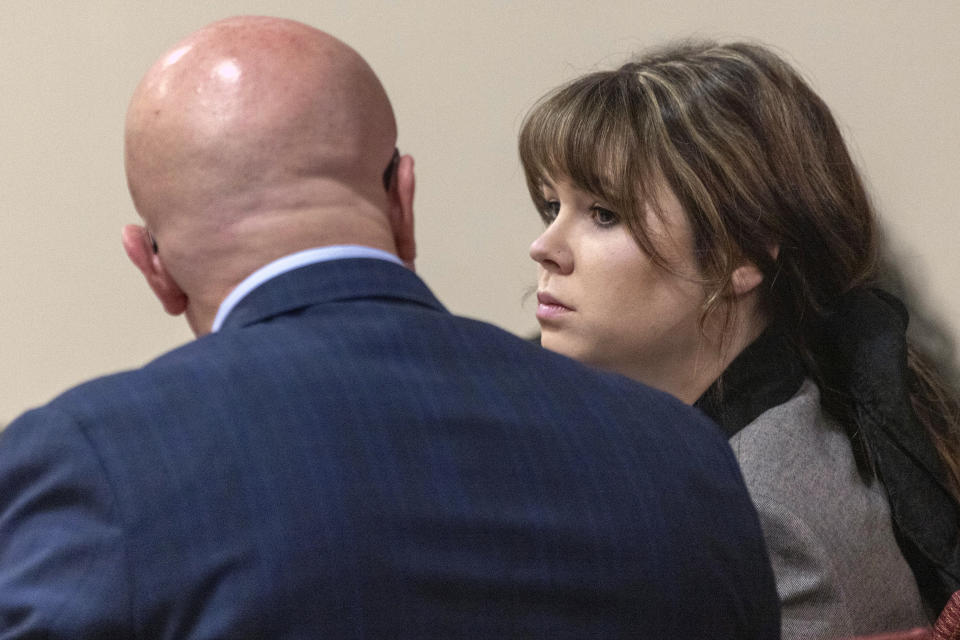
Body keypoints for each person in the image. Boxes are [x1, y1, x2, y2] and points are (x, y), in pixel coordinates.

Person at [0, 18, 780, 638]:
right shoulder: (682, 456)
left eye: (604, 213)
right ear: (403, 202)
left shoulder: (87, 465)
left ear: (154, 267)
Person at [522, 40, 960, 639]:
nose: (544, 246)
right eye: (552, 206)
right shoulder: (671, 441)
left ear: (739, 255)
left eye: (604, 213)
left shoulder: (763, 514)